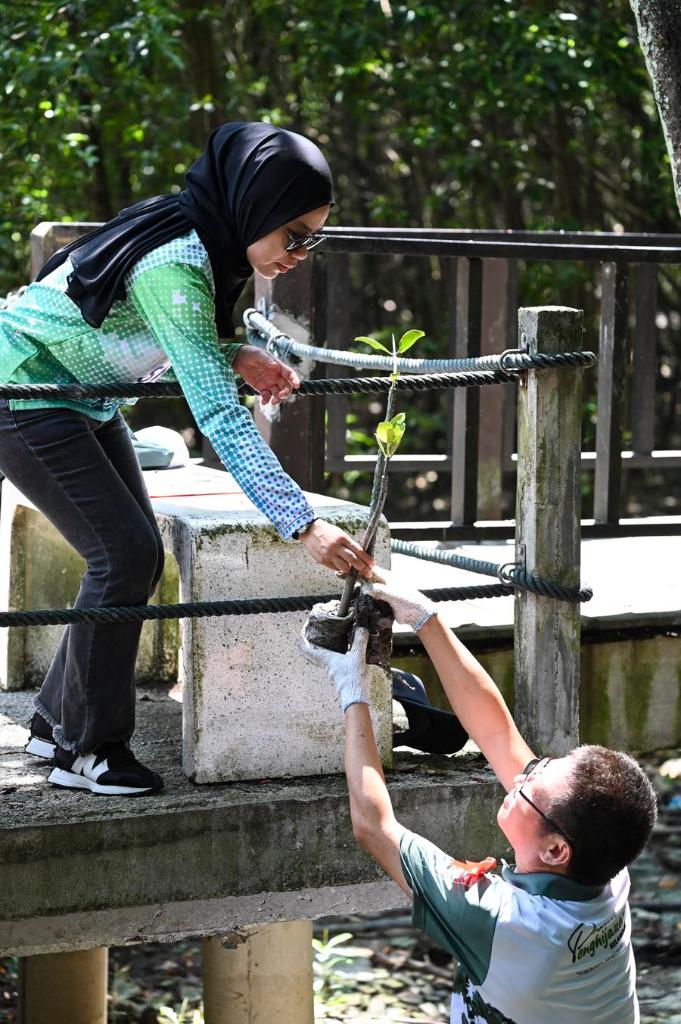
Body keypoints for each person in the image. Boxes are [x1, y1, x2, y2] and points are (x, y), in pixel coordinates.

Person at [1, 121, 373, 797]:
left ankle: (58, 722)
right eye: (293, 234)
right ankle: (88, 750)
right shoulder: (176, 262)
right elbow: (220, 420)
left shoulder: (198, 238)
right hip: (24, 389)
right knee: (125, 555)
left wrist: (234, 353)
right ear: (252, 208)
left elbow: (154, 329)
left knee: (131, 554)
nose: (300, 252)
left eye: (312, 238)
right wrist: (303, 523)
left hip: (82, 396)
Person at [301, 568, 657, 1024]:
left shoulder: (503, 922)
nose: (524, 773)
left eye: (531, 785)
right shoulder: (604, 870)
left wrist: (352, 689)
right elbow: (496, 733)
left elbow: (374, 826)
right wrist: (426, 617)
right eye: (545, 763)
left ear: (555, 849)